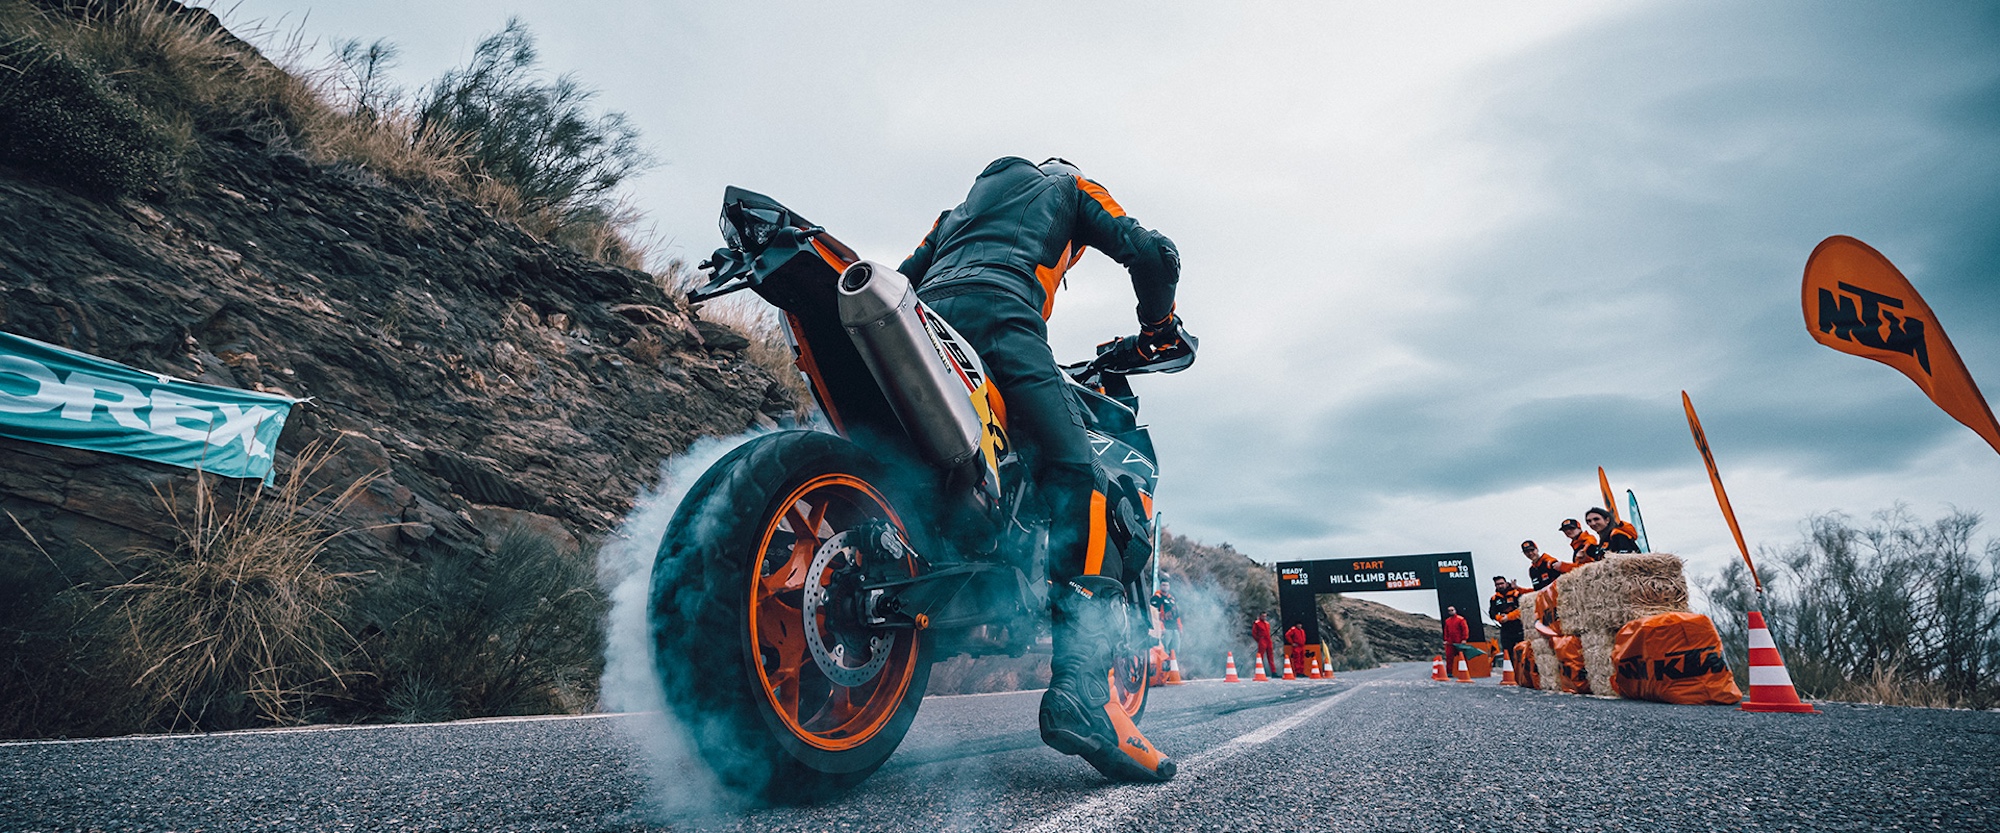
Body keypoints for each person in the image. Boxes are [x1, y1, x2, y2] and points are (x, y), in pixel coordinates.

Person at [900, 156, 1187, 783]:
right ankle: (1081, 689)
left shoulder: (957, 211)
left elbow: (903, 277)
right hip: (1001, 320)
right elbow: (1154, 253)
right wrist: (1159, 328)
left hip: (927, 331)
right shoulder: (1070, 186)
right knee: (1078, 477)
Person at [1488, 576, 1525, 656]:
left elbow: (1522, 609)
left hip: (1519, 626)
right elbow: (1492, 613)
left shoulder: (1516, 594)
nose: (1500, 586)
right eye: (1497, 584)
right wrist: (1500, 618)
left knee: (1524, 650)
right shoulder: (1494, 598)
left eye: (1501, 583)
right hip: (1505, 629)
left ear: (1506, 583)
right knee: (1507, 651)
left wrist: (1508, 617)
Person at [1150, 578, 1182, 655]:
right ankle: (1164, 666)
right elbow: (1154, 615)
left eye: (1167, 585)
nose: (1165, 587)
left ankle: (1173, 664)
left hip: (1174, 628)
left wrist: (1180, 627)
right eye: (1163, 585)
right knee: (1165, 649)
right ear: (1160, 586)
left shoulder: (1172, 598)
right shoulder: (1156, 598)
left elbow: (1177, 615)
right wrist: (1161, 627)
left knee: (1176, 649)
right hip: (1165, 628)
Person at [1442, 606, 1470, 675]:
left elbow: (1465, 629)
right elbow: (1446, 631)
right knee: (1449, 657)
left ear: (1455, 610)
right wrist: (1446, 640)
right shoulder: (1447, 621)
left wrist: (1464, 639)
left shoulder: (1460, 619)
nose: (1451, 612)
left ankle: (1465, 671)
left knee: (1462, 657)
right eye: (1449, 611)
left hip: (1459, 641)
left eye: (1452, 610)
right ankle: (1449, 672)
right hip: (1450, 641)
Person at [1253, 612, 1277, 677]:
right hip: (1262, 639)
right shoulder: (1257, 623)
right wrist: (1259, 640)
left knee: (1270, 656)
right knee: (1260, 656)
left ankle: (1273, 672)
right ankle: (1259, 671)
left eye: (1265, 616)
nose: (1264, 617)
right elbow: (1254, 633)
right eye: (1263, 616)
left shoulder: (1267, 623)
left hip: (1268, 640)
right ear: (1260, 616)